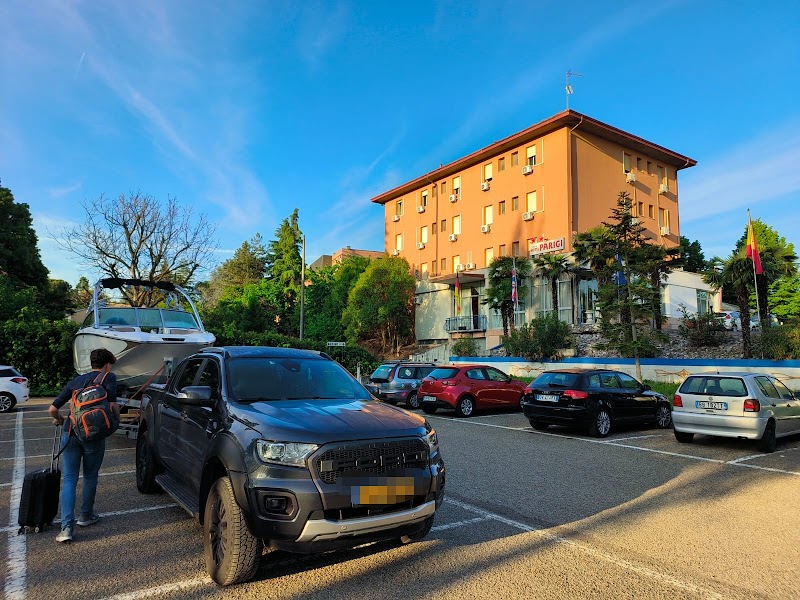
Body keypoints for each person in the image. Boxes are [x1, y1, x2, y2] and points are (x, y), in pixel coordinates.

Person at [48, 348, 120, 543]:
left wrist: (60, 419)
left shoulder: (76, 381)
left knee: (70, 479)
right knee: (90, 475)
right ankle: (86, 516)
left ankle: (66, 529)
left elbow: (52, 409)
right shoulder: (108, 378)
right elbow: (112, 406)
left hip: (70, 433)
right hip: (93, 435)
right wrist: (116, 421)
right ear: (107, 365)